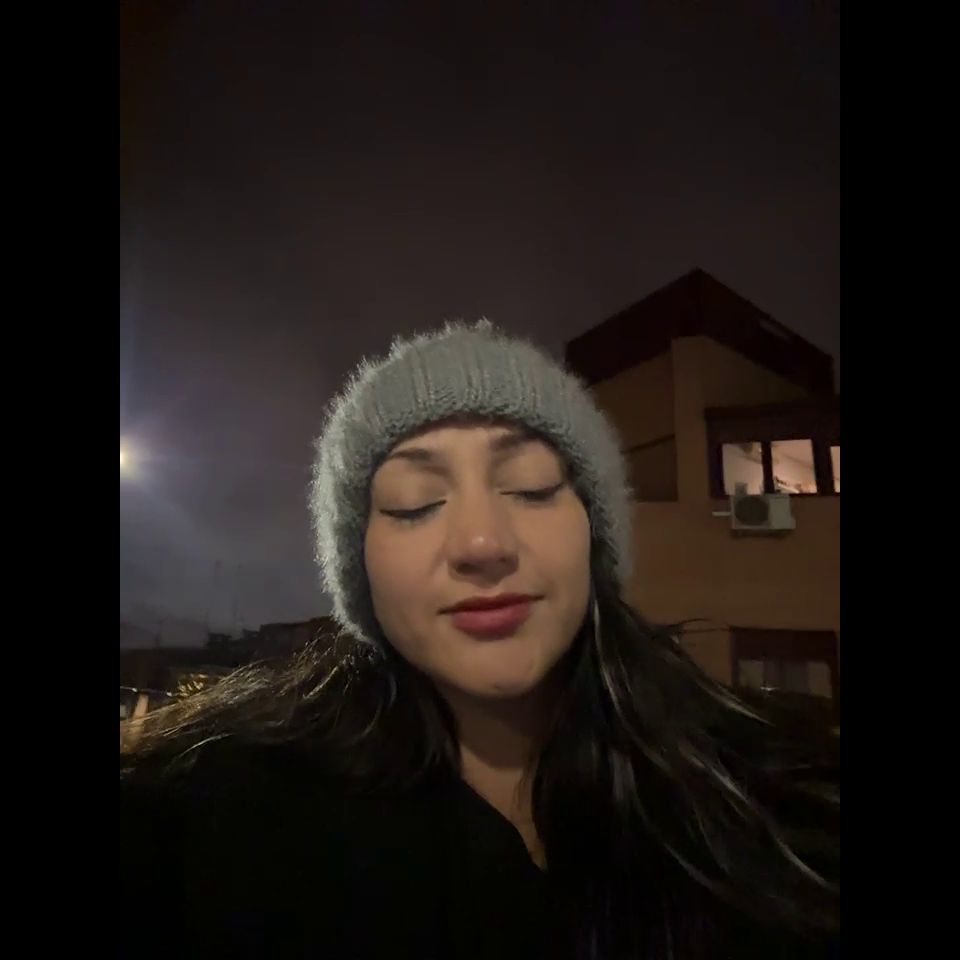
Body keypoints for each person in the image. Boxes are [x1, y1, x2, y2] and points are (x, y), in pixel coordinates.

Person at [120, 321, 839, 959]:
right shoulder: (210, 827)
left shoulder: (779, 811)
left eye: (531, 486)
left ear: (595, 533)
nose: (482, 543)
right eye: (415, 503)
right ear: (360, 565)